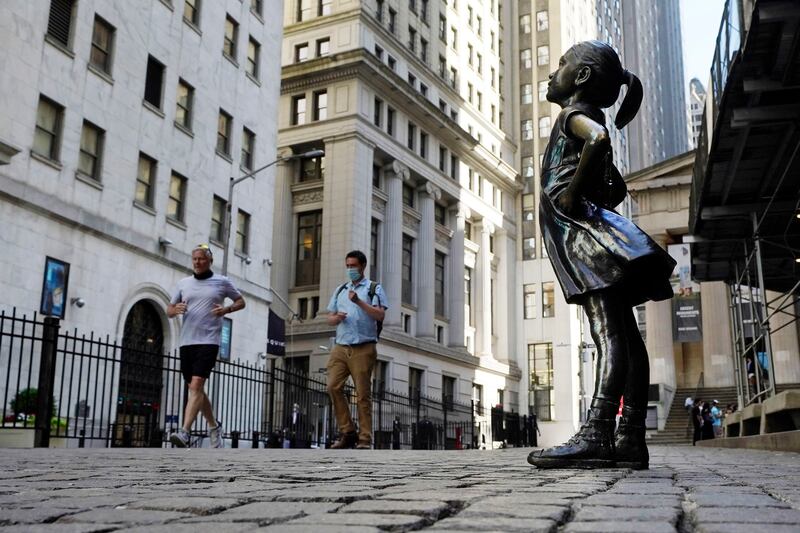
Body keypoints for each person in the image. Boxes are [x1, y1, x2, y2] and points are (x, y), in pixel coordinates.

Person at [527, 41, 675, 470]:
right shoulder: (587, 116)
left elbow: (599, 141)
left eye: (560, 65)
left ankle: (597, 432)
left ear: (582, 77)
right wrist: (591, 189)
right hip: (590, 233)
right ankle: (630, 438)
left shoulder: (575, 116)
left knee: (607, 334)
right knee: (626, 336)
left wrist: (572, 195)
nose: (552, 74)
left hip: (584, 236)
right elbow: (617, 187)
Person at [167, 244, 245, 448]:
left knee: (196, 385)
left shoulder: (222, 282)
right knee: (196, 388)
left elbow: (241, 301)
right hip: (187, 341)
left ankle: (185, 432)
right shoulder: (183, 283)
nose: (197, 262)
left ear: (209, 261)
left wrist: (226, 309)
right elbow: (169, 309)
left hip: (209, 340)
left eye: (201, 259)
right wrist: (176, 309)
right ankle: (213, 426)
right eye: (194, 259)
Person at [325, 250, 387, 449]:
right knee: (333, 386)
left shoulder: (374, 289)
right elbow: (330, 318)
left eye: (354, 266)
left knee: (362, 394)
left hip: (364, 347)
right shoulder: (341, 289)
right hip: (341, 346)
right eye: (348, 266)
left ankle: (365, 438)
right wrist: (336, 319)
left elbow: (379, 315)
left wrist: (358, 302)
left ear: (363, 266)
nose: (350, 269)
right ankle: (348, 431)